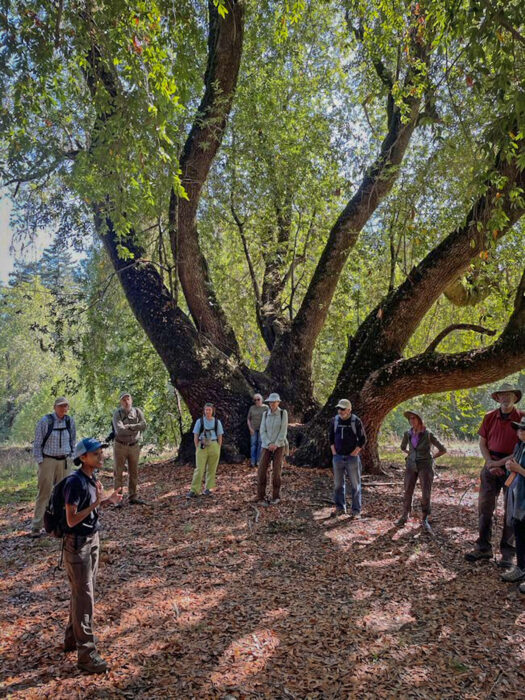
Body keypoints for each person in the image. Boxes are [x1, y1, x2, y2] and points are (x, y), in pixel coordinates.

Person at [63, 437, 122, 673]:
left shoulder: (91, 478)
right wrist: (98, 501)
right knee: (85, 597)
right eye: (96, 454)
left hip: (92, 540)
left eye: (101, 452)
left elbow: (92, 508)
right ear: (83, 458)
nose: (101, 456)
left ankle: (70, 638)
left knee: (82, 592)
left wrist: (106, 501)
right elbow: (71, 519)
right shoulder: (74, 483)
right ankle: (86, 655)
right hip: (77, 547)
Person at [465, 383, 524, 567]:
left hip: (512, 466)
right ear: (497, 398)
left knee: (511, 511)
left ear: (515, 397)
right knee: (485, 508)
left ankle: (507, 553)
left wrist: (500, 464)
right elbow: (483, 443)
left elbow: (521, 447)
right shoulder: (489, 417)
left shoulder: (521, 418)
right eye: (501, 395)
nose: (505, 398)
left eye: (509, 394)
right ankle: (483, 548)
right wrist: (490, 463)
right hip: (490, 466)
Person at [31, 397, 76, 538]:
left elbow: (73, 440)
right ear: (54, 407)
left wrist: (72, 457)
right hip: (48, 460)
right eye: (61, 406)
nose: (63, 408)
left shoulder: (69, 421)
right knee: (44, 493)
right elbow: (37, 443)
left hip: (65, 461)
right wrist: (40, 461)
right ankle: (36, 527)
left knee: (63, 495)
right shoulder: (46, 421)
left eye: (65, 406)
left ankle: (60, 525)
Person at [397, 409, 446, 531]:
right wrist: (411, 454)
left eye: (414, 418)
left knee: (425, 492)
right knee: (408, 490)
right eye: (410, 418)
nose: (411, 420)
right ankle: (405, 515)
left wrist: (431, 457)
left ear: (419, 419)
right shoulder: (407, 433)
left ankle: (424, 518)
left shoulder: (428, 434)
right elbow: (403, 447)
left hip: (425, 466)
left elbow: (443, 449)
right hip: (410, 465)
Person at [329, 399, 366, 518]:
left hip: (352, 458)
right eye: (339, 408)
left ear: (349, 410)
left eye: (343, 409)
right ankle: (340, 507)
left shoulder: (356, 421)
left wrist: (355, 452)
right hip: (338, 457)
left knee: (355, 485)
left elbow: (363, 439)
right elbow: (330, 438)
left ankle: (356, 511)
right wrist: (334, 452)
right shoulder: (334, 420)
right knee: (338, 485)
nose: (340, 411)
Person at [501, 419, 525, 587]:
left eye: (524, 429)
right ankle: (521, 567)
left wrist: (520, 470)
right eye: (519, 428)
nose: (521, 431)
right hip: (518, 498)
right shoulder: (519, 447)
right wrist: (511, 466)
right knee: (519, 533)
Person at [112, 392, 147, 506]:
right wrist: (135, 428)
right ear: (121, 402)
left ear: (131, 400)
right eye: (124, 400)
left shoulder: (137, 411)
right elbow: (119, 430)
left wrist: (130, 426)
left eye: (128, 399)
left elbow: (144, 425)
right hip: (120, 446)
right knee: (119, 472)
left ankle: (133, 496)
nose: (126, 402)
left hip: (134, 446)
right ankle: (118, 499)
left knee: (134, 472)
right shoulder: (117, 414)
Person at [256, 393, 288, 506]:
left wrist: (276, 444)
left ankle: (276, 496)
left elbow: (283, 431)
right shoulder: (265, 414)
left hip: (279, 446)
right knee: (261, 470)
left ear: (278, 402)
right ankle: (260, 497)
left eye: (274, 402)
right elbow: (262, 430)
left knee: (276, 471)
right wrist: (269, 443)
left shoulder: (283, 413)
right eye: (270, 402)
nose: (272, 404)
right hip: (266, 446)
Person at [187, 403, 224, 498]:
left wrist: (218, 447)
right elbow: (195, 435)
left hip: (214, 444)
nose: (207, 412)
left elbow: (220, 436)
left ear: (212, 411)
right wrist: (197, 447)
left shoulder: (217, 422)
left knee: (212, 468)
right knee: (199, 469)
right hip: (202, 445)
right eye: (206, 410)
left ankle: (208, 488)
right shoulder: (200, 421)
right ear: (204, 411)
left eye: (209, 410)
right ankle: (194, 490)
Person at [247, 393, 267, 467]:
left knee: (260, 444)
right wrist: (250, 428)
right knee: (253, 445)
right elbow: (248, 419)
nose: (257, 401)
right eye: (255, 400)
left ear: (261, 399)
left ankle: (259, 461)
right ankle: (252, 461)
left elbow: (268, 418)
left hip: (262, 429)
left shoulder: (266, 408)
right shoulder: (252, 408)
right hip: (253, 429)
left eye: (258, 399)